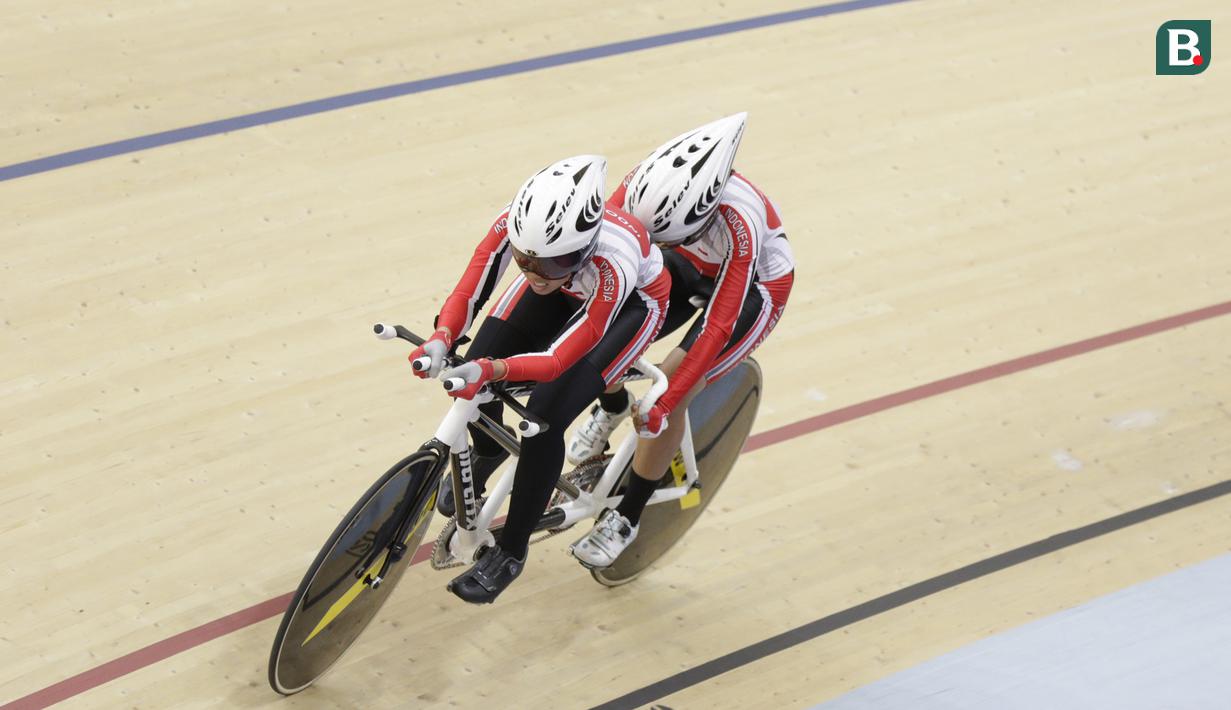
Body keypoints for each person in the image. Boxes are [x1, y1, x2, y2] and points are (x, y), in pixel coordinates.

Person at [408, 155, 671, 603]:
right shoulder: (520, 233)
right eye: (525, 260)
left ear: (584, 246)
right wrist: (441, 337)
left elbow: (555, 361)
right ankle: (489, 451)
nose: (534, 273)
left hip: (630, 306)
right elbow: (470, 288)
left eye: (550, 263)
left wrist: (495, 371)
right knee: (473, 363)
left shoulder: (615, 262)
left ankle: (511, 550)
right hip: (573, 284)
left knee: (544, 413)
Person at [567, 113, 796, 568]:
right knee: (608, 332)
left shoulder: (740, 221)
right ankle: (611, 407)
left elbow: (717, 328)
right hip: (685, 255)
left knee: (670, 385)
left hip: (754, 288)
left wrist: (666, 402)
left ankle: (626, 519)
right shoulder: (640, 185)